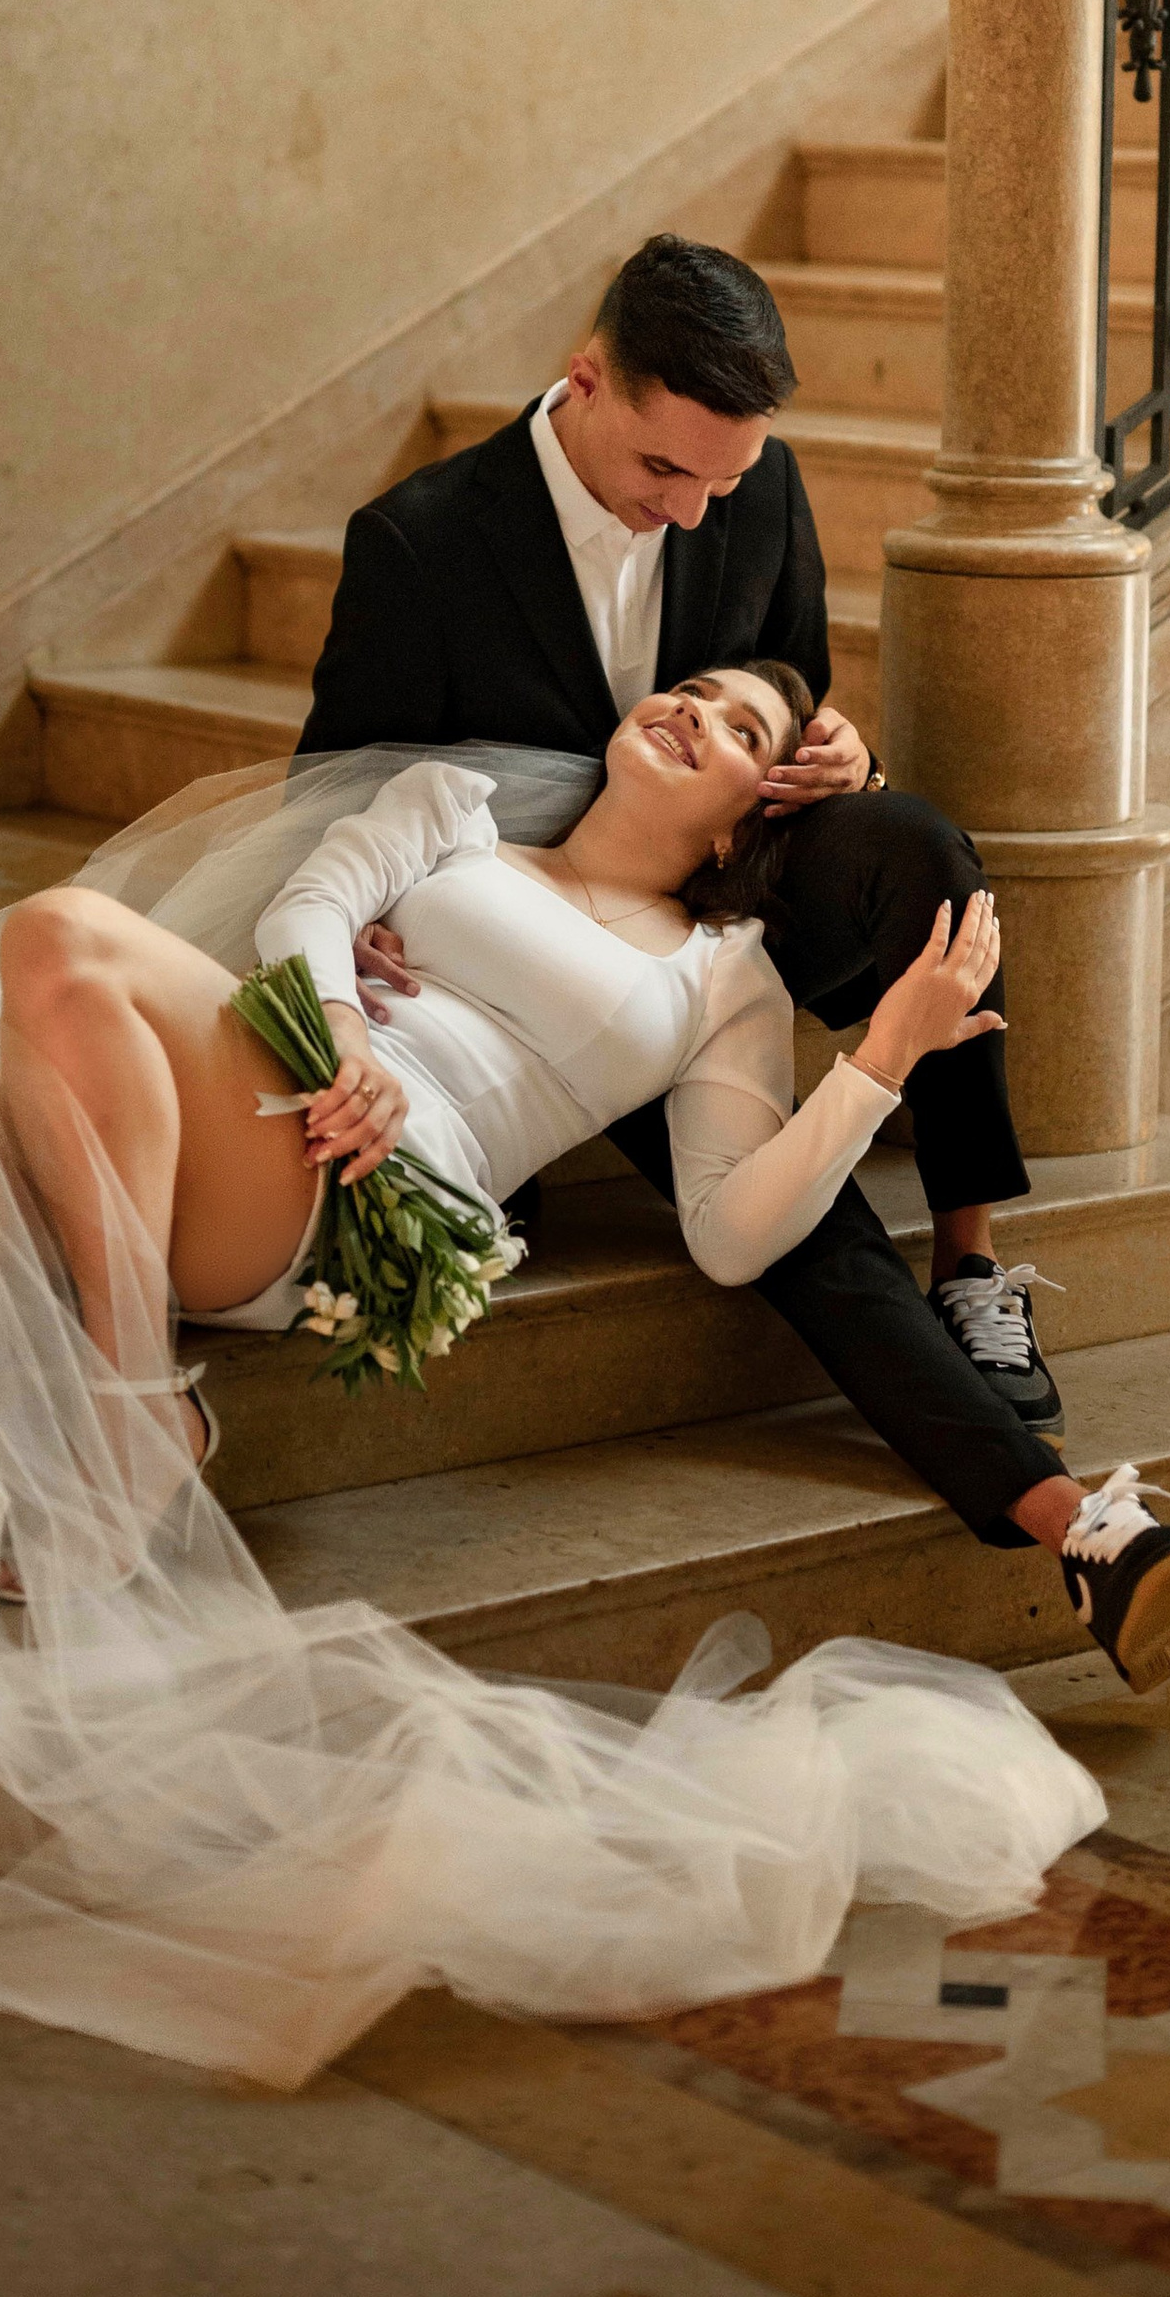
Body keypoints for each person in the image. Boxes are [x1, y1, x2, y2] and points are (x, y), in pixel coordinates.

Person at [0, 671, 1170, 2091]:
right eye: (688, 689)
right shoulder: (448, 809)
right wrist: (341, 1027)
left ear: (751, 819)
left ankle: (133, 1415)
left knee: (57, 936)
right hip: (289, 1085)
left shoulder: (717, 980)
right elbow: (305, 908)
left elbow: (732, 1237)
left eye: (731, 726)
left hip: (362, 1211)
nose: (689, 710)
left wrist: (874, 1069)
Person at [303, 234, 1077, 1523]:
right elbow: (328, 782)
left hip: (711, 895)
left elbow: (788, 680)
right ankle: (1050, 1509)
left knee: (928, 858)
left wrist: (839, 749)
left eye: (727, 475)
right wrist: (372, 912)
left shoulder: (749, 490)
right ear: (586, 380)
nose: (694, 510)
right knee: (792, 1218)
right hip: (519, 935)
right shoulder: (421, 542)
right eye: (666, 468)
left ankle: (972, 1261)